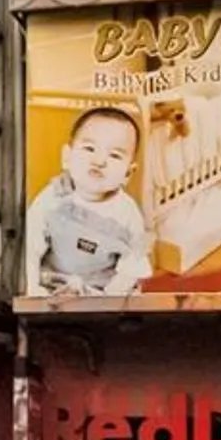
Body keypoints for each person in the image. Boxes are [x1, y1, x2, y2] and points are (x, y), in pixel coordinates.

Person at [25, 105, 153, 297]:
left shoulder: (127, 213)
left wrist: (108, 299)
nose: (99, 160)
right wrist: (33, 289)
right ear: (67, 157)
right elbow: (30, 250)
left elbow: (132, 266)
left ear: (128, 173)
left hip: (101, 293)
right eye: (89, 148)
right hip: (52, 288)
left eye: (115, 155)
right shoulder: (53, 198)